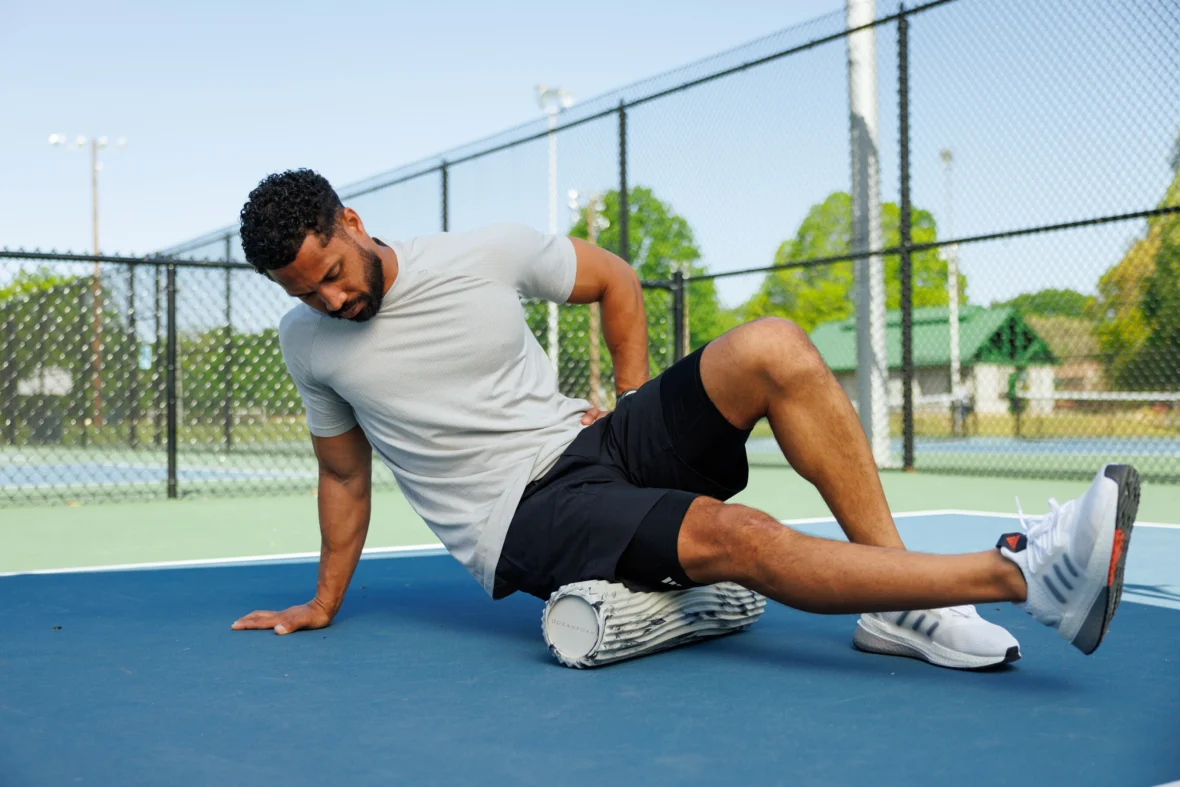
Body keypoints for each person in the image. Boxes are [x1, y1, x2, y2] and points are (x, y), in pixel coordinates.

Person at [230, 169, 1139, 668]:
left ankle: (897, 609)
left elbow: (614, 279)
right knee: (741, 535)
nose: (332, 298)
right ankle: (1029, 580)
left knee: (774, 344)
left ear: (349, 219)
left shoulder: (481, 253)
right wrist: (322, 601)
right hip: (523, 519)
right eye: (306, 291)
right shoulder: (307, 344)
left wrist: (630, 399)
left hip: (592, 442)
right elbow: (345, 474)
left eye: (333, 271)